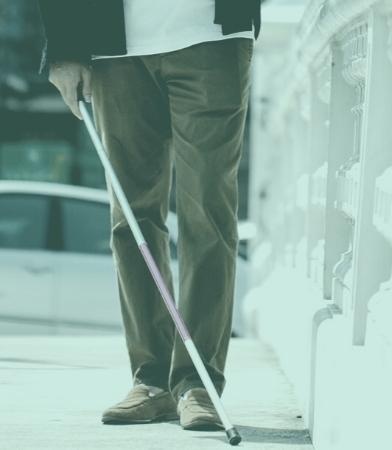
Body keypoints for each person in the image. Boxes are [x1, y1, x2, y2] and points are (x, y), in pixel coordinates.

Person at [37, 0, 260, 431]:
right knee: (131, 219)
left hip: (212, 39)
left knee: (208, 213)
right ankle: (152, 380)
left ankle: (198, 383)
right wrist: (64, 49)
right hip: (114, 48)